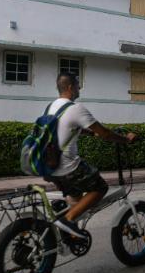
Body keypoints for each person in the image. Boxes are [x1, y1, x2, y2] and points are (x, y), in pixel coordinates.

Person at [47, 72, 136, 239]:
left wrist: (91, 134)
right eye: (77, 84)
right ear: (70, 87)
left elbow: (67, 129)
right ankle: (68, 220)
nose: (80, 87)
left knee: (76, 195)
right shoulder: (75, 108)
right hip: (68, 167)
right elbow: (105, 134)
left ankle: (70, 234)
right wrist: (125, 140)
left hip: (50, 167)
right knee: (100, 187)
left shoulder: (52, 107)